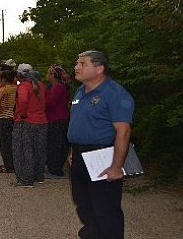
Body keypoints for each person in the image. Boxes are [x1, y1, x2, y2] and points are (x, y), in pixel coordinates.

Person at [68, 50, 134, 239]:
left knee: (105, 209)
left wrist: (116, 166)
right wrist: (73, 149)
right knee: (84, 204)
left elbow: (124, 131)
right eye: (77, 63)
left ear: (99, 68)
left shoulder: (114, 93)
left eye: (83, 64)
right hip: (80, 156)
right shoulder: (81, 90)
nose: (77, 67)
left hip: (102, 156)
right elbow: (80, 122)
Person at [12, 63, 48, 188]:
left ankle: (25, 179)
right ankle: (38, 175)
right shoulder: (41, 85)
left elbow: (22, 100)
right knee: (39, 150)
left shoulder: (24, 86)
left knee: (23, 150)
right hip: (42, 121)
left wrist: (22, 114)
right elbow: (46, 101)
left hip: (26, 121)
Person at [45, 64, 71, 179]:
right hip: (58, 118)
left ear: (52, 75)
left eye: (48, 73)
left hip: (57, 119)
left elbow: (49, 102)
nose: (46, 75)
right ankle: (54, 168)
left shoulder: (57, 87)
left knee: (56, 145)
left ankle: (55, 170)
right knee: (56, 144)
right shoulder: (57, 86)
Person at [0, 69, 17, 173]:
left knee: (4, 143)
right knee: (11, 142)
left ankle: (8, 166)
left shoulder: (4, 89)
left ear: (4, 79)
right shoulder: (15, 88)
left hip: (3, 118)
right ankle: (13, 163)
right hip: (12, 117)